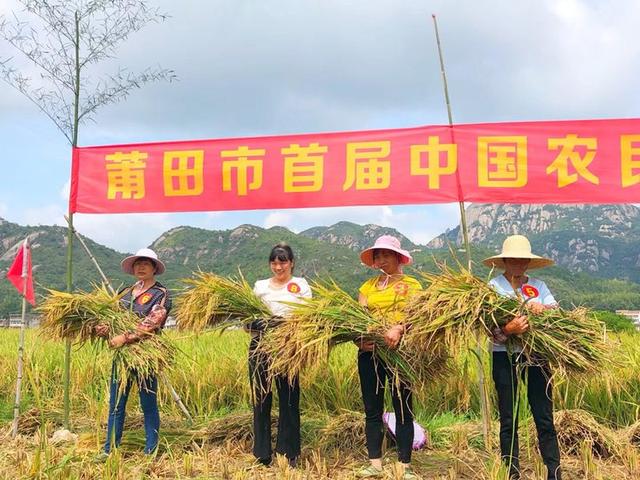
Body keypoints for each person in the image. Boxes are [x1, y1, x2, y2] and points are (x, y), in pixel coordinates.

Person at [484, 235, 561, 480]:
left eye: (522, 259)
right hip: (504, 357)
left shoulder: (539, 286)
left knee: (544, 416)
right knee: (509, 417)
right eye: (513, 259)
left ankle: (554, 472)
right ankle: (511, 473)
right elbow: (487, 327)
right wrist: (508, 330)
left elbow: (556, 313)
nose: (518, 263)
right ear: (504, 261)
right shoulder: (493, 287)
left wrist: (543, 309)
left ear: (528, 262)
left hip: (537, 356)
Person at [94, 248, 171, 460]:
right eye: (138, 263)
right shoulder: (127, 292)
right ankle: (109, 449)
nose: (141, 267)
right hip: (123, 357)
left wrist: (124, 338)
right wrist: (104, 329)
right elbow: (114, 318)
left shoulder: (160, 293)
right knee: (116, 404)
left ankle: (150, 450)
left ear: (154, 267)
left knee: (148, 403)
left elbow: (152, 323)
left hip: (145, 355)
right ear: (133, 267)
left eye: (146, 263)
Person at [355, 235, 422, 480]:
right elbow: (358, 319)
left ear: (398, 256)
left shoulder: (412, 284)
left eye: (386, 254)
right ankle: (375, 463)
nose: (381, 259)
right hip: (369, 355)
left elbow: (416, 315)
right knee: (372, 409)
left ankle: (405, 465)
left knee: (403, 407)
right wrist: (360, 339)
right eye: (377, 256)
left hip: (400, 353)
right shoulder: (367, 287)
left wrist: (399, 328)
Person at [248, 243, 311, 467]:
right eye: (274, 262)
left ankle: (289, 452)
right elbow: (248, 318)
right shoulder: (260, 286)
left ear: (292, 262)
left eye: (283, 261)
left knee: (289, 398)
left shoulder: (300, 285)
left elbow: (305, 317)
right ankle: (262, 453)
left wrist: (282, 325)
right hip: (260, 345)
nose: (278, 266)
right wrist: (253, 324)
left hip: (288, 346)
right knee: (261, 398)